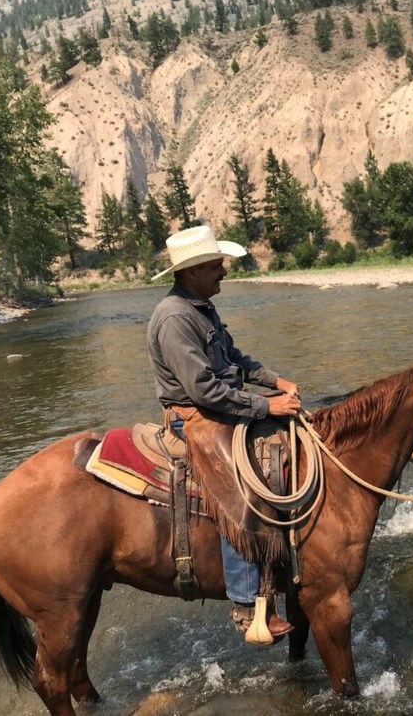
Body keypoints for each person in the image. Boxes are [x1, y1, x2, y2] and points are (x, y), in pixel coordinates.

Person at [146, 225, 300, 643]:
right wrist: (267, 405)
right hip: (194, 417)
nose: (223, 272)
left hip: (218, 407)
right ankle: (247, 604)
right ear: (192, 271)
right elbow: (204, 390)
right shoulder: (175, 318)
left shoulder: (200, 307)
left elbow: (234, 358)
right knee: (239, 488)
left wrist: (275, 380)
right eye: (216, 265)